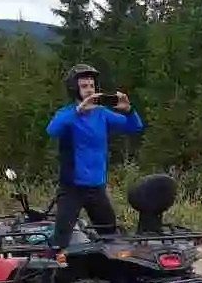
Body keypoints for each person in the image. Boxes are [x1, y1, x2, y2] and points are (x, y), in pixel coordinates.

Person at [45, 61, 144, 248]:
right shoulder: (67, 114)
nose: (89, 90)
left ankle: (113, 275)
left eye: (91, 86)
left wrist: (129, 110)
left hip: (96, 188)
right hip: (72, 188)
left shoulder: (102, 113)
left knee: (110, 236)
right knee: (61, 239)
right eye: (84, 86)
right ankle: (51, 275)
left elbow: (134, 126)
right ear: (74, 89)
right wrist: (77, 111)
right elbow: (52, 130)